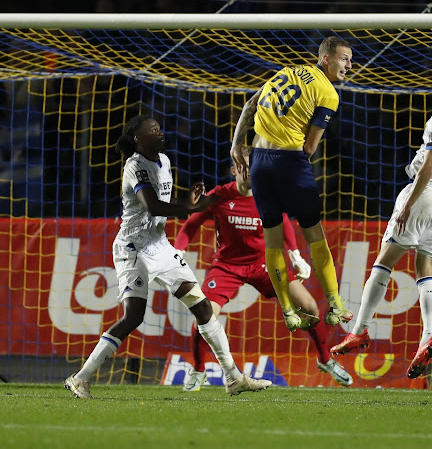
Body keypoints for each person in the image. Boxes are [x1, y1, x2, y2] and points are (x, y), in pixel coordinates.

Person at [64, 115, 271, 398]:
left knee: (202, 307)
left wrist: (189, 202)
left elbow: (165, 201)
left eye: (160, 129)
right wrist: (190, 208)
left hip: (160, 246)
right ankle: (81, 377)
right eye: (153, 130)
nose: (160, 133)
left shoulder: (163, 160)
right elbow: (152, 205)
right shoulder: (134, 166)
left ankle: (234, 378)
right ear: (138, 139)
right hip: (133, 248)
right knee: (134, 316)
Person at [330, 56, 432, 379]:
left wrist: (410, 203)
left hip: (426, 195)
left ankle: (360, 329)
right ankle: (428, 336)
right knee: (425, 270)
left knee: (384, 261)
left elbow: (428, 166)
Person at [175, 147, 353, 390]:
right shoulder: (219, 196)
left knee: (310, 308)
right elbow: (190, 224)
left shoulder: (267, 195)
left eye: (252, 167)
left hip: (264, 265)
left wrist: (295, 255)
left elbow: (284, 224)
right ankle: (198, 370)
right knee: (203, 317)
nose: (248, 172)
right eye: (243, 167)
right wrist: (179, 251)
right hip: (227, 267)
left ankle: (324, 360)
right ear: (233, 169)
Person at [230, 36, 353, 332]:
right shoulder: (328, 93)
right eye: (344, 58)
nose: (349, 65)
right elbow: (310, 147)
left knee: (272, 239)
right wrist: (296, 170)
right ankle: (335, 304)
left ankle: (287, 310)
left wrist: (236, 145)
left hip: (258, 161)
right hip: (289, 162)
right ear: (325, 59)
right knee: (314, 233)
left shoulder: (284, 71)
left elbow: (250, 104)